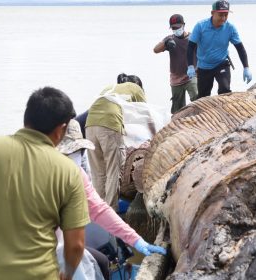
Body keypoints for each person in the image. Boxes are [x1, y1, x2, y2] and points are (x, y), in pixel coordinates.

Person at [0, 87, 90, 280]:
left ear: (26, 118)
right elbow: (76, 245)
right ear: (61, 129)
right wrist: (67, 274)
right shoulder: (68, 171)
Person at [57, 119, 167, 279]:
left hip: (64, 243)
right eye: (67, 153)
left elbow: (99, 209)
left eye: (78, 152)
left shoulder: (78, 175)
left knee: (101, 262)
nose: (73, 158)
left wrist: (136, 240)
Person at [86, 73, 146, 211]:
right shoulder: (135, 88)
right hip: (109, 125)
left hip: (90, 125)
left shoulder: (110, 88)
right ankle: (111, 211)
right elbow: (146, 114)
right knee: (114, 170)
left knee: (98, 172)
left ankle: (98, 212)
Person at [186, 0, 252, 99]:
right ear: (212, 13)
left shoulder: (230, 28)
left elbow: (240, 48)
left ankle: (225, 113)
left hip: (221, 63)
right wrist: (190, 66)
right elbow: (190, 47)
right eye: (221, 15)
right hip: (204, 66)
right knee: (203, 96)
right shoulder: (200, 26)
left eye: (226, 15)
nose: (224, 18)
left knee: (224, 91)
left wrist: (246, 67)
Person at [153, 14, 198, 113]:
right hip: (176, 78)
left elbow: (204, 51)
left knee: (196, 98)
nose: (176, 29)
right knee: (177, 108)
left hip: (191, 75)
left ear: (183, 25)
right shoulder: (170, 39)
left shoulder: (193, 38)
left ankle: (200, 119)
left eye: (178, 27)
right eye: (173, 28)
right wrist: (166, 43)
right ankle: (178, 124)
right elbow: (155, 50)